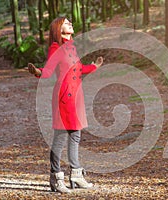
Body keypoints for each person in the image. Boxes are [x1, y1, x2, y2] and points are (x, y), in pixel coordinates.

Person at [28, 17, 103, 193]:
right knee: (60, 137)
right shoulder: (56, 48)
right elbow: (48, 71)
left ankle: (76, 174)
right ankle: (55, 177)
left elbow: (79, 69)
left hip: (76, 96)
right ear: (58, 29)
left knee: (76, 135)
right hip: (64, 97)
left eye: (70, 22)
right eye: (67, 23)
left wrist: (94, 66)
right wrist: (38, 72)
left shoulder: (71, 47)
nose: (71, 24)